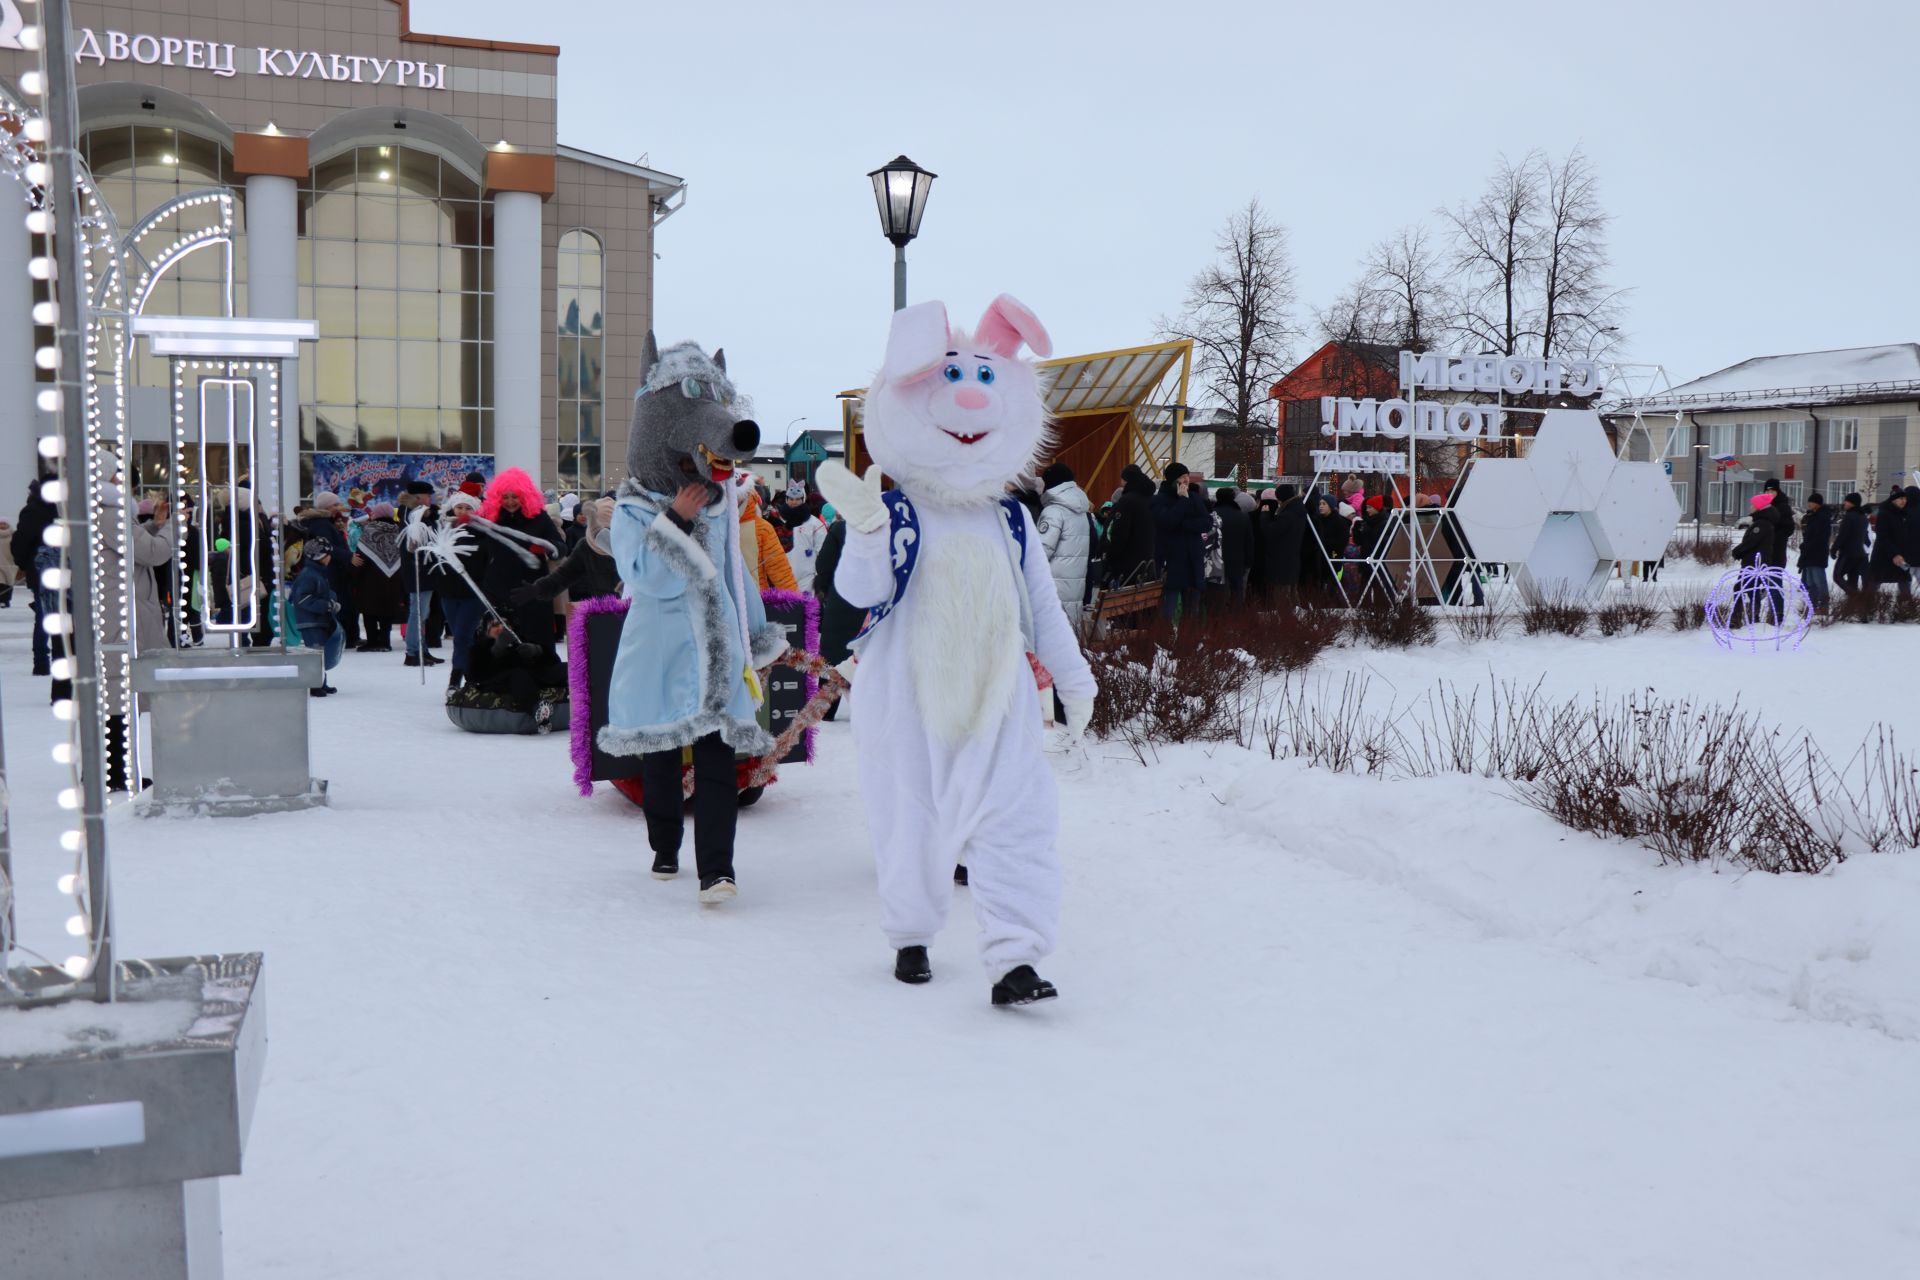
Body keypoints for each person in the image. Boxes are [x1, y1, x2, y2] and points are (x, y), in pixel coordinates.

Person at [474, 467, 566, 658]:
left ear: (525, 496)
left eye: (514, 496)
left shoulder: (539, 517)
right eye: (505, 497)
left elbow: (561, 547)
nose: (510, 502)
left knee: (536, 638)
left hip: (531, 589)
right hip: (498, 589)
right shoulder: (492, 518)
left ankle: (541, 680)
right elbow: (474, 544)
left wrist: (546, 547)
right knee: (498, 641)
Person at [517, 495, 620, 609]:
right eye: (596, 530)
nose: (601, 538)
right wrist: (538, 589)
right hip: (602, 611)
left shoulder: (630, 547)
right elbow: (563, 575)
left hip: (633, 612)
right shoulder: (586, 547)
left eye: (607, 531)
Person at [810, 507, 862, 722]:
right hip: (871, 602)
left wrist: (823, 590)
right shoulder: (881, 529)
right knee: (868, 657)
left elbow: (823, 565)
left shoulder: (839, 530)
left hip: (841, 599)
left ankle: (826, 709)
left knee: (833, 656)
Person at [1152, 462, 1210, 620]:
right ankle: (1166, 637)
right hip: (1171, 559)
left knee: (1192, 609)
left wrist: (1184, 524)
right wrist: (1182, 502)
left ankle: (1189, 639)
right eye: (1182, 477)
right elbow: (1168, 521)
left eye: (1188, 477)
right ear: (1173, 479)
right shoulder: (1160, 499)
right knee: (1168, 608)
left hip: (1193, 559)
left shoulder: (1194, 497)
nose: (1186, 480)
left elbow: (1207, 522)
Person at [1035, 461, 1092, 623]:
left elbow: (1041, 552)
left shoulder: (1053, 511)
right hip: (1075, 586)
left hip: (1053, 586)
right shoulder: (1081, 511)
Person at [352, 502, 409, 654]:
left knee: (369, 612)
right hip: (394, 580)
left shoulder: (369, 531)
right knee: (387, 612)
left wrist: (354, 578)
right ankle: (385, 641)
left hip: (370, 580)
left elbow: (360, 557)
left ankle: (372, 642)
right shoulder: (399, 531)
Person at [291, 540, 342, 697]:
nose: (330, 558)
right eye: (327, 555)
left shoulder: (317, 573)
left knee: (320, 653)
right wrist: (326, 605)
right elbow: (302, 598)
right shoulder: (309, 575)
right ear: (318, 556)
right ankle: (314, 684)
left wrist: (331, 600)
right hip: (310, 621)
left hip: (318, 620)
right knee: (315, 653)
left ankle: (320, 682)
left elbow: (321, 593)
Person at [14, 480, 55, 675]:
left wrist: (23, 564)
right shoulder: (59, 509)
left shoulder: (32, 510)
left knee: (43, 615)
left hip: (39, 569)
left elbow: (21, 541)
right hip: (60, 567)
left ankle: (41, 661)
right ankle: (56, 658)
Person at [1101, 463, 1158, 587]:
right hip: (1148, 563)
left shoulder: (1127, 501)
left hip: (1127, 566)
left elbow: (1119, 533)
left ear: (1126, 480)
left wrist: (1110, 555)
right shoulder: (1152, 499)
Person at [1255, 484, 1309, 601]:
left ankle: (1287, 619)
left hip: (1282, 561)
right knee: (1291, 595)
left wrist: (1264, 516)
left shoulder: (1288, 514)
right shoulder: (1297, 509)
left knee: (1282, 597)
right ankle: (1296, 618)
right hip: (1291, 559)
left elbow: (1270, 531)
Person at [1867, 486, 1910, 599]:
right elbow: (1882, 537)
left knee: (1904, 580)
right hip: (1883, 555)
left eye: (1905, 499)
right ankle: (1865, 608)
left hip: (1899, 556)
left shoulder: (1903, 514)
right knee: (1874, 582)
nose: (1903, 501)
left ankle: (1906, 609)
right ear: (1893, 500)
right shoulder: (1885, 514)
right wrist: (1894, 554)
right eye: (1900, 499)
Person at [1212, 485, 1252, 605]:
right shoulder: (1243, 517)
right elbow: (1249, 541)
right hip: (1237, 560)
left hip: (1216, 561)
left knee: (1217, 596)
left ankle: (1218, 621)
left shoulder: (1212, 516)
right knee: (1237, 592)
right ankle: (1237, 619)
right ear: (1233, 498)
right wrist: (1248, 561)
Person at [786, 495, 832, 594]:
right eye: (791, 499)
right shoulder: (780, 521)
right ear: (786, 500)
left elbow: (823, 552)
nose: (794, 502)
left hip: (807, 579)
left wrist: (818, 575)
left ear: (803, 500)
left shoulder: (815, 524)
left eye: (797, 499)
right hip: (783, 578)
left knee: (806, 607)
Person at [1797, 492, 1833, 612]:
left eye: (1811, 502)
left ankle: (1823, 606)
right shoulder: (1813, 516)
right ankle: (1811, 605)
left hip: (1817, 553)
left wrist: (1808, 546)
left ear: (1817, 503)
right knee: (1810, 582)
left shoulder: (1822, 517)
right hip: (1809, 553)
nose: (1809, 504)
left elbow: (1818, 536)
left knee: (1819, 580)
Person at [1833, 492, 1869, 597]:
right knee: (1852, 580)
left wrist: (1834, 549)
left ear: (1852, 503)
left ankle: (1856, 597)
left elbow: (1842, 535)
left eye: (1847, 501)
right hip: (1860, 553)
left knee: (1837, 576)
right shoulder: (1863, 517)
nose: (1845, 503)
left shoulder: (1849, 516)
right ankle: (1853, 607)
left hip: (1848, 553)